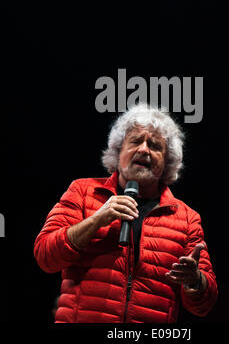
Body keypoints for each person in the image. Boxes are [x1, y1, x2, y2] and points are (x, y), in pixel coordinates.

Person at [34, 103, 218, 323]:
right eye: (135, 141)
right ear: (117, 151)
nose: (143, 149)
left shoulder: (187, 218)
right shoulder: (83, 192)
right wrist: (97, 219)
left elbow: (204, 305)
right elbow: (45, 257)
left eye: (154, 145)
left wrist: (195, 280)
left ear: (167, 162)